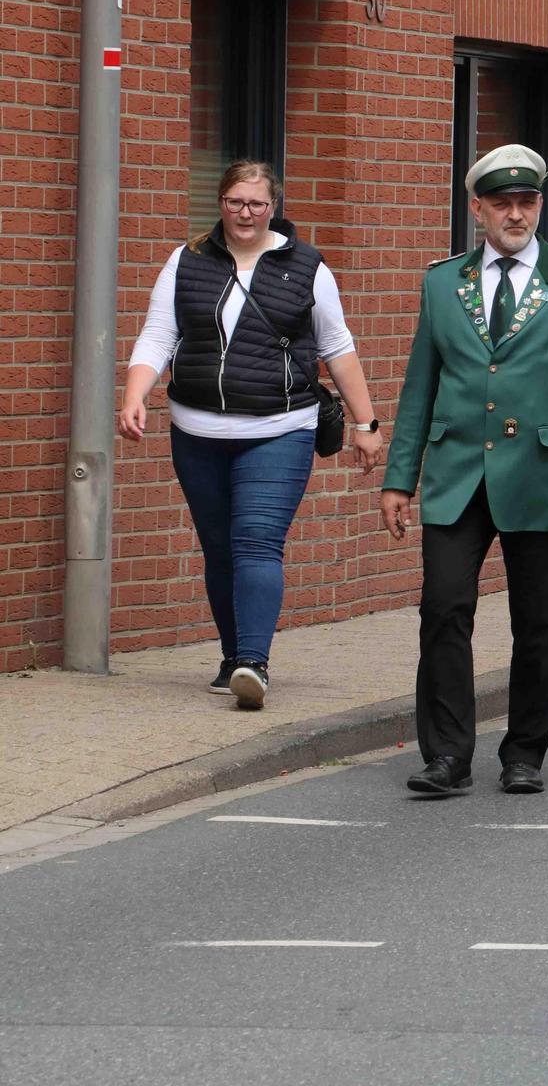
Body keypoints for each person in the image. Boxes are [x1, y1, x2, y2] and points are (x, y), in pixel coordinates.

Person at [381, 144, 548, 796]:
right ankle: (447, 756)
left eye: (527, 202)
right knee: (442, 609)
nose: (515, 214)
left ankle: (524, 753)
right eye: (502, 203)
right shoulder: (443, 282)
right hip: (458, 472)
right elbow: (419, 387)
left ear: (539, 205)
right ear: (478, 209)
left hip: (544, 475)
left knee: (539, 622)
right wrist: (398, 478)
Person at [119, 160, 384, 711]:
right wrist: (135, 395)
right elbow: (158, 335)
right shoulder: (186, 261)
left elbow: (337, 347)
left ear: (273, 208)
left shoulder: (307, 266)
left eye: (257, 204)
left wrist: (366, 424)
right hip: (196, 428)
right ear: (220, 202)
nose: (246, 213)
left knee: (256, 541)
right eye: (237, 202)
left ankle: (253, 663)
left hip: (279, 427)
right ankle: (231, 655)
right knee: (219, 549)